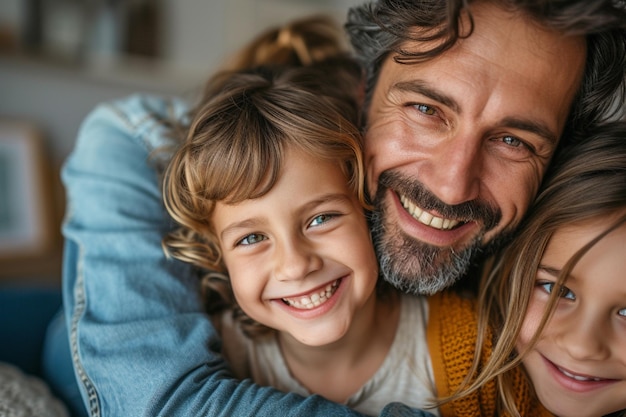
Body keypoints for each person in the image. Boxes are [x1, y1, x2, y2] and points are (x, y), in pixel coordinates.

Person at [57, 1, 626, 416]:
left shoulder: (499, 328)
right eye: (427, 109)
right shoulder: (247, 179)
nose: (454, 188)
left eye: (513, 142)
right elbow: (127, 130)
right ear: (362, 93)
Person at [160, 60, 438, 415]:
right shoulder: (215, 357)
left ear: (368, 209)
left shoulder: (456, 347)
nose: (294, 266)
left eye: (321, 219)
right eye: (251, 239)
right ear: (217, 256)